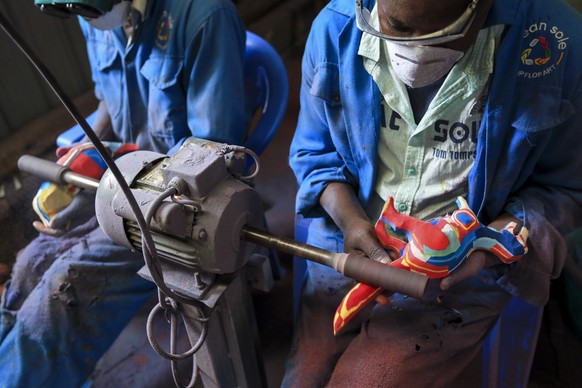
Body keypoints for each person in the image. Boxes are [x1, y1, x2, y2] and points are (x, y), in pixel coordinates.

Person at [283, 0, 582, 386]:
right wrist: (351, 220)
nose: (412, 50)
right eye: (395, 27)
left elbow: (566, 189)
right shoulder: (337, 27)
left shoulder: (557, 48)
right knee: (305, 374)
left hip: (459, 272)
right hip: (350, 241)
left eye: (436, 36)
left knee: (364, 380)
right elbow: (315, 153)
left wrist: (485, 246)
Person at [0, 0, 247, 386]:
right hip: (113, 182)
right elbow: (107, 103)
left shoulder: (204, 17)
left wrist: (114, 183)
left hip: (171, 203)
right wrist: (85, 157)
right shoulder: (91, 12)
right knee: (31, 262)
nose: (85, 19)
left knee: (63, 289)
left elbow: (212, 155)